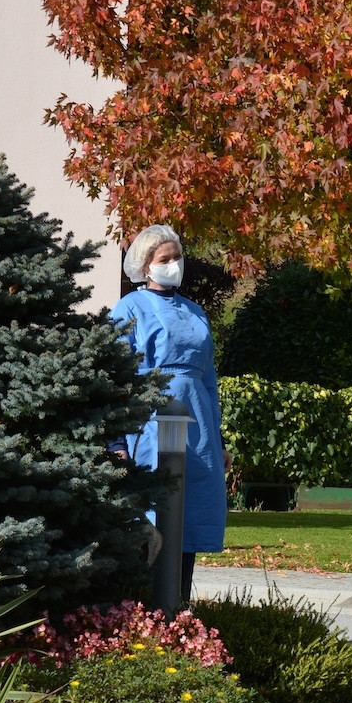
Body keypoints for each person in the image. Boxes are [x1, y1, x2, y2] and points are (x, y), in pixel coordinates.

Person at [109, 225, 227, 604]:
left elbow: (208, 380)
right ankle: (142, 608)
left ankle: (179, 606)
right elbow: (114, 376)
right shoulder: (129, 309)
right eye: (165, 259)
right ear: (145, 265)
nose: (174, 265)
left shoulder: (196, 312)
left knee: (189, 513)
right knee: (154, 512)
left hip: (199, 425)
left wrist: (218, 439)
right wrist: (116, 440)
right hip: (150, 422)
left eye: (178, 257)